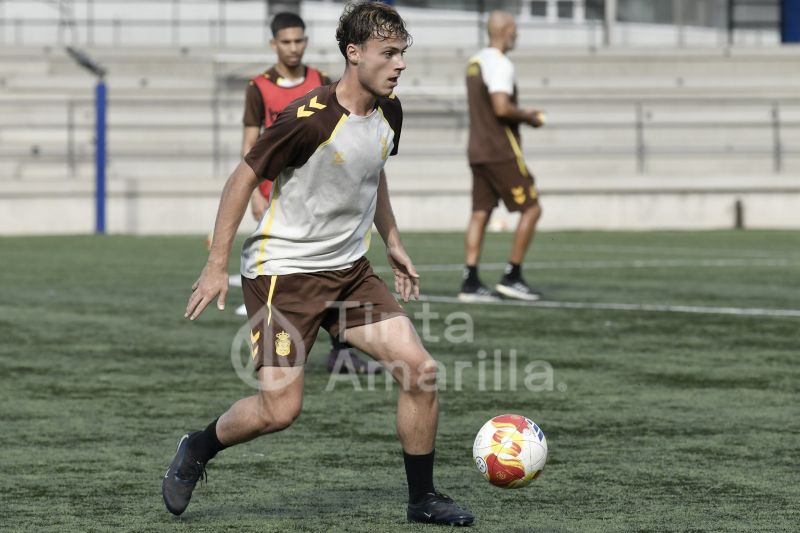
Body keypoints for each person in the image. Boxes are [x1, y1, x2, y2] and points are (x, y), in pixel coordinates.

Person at [162, 1, 474, 527]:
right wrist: (216, 264)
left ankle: (422, 500)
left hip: (351, 272)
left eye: (403, 53)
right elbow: (241, 179)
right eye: (389, 53)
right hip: (284, 274)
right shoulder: (307, 119)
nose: (400, 64)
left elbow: (373, 174)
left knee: (420, 371)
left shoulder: (390, 111)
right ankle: (198, 446)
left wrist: (392, 239)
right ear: (354, 54)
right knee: (279, 411)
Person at [237, 11, 379, 375]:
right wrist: (255, 192)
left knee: (339, 258)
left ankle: (341, 350)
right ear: (274, 45)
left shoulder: (321, 80)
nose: (293, 48)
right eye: (286, 42)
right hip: (279, 189)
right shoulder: (259, 87)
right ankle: (282, 341)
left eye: (299, 40)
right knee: (298, 263)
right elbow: (251, 144)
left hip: (324, 187)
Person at [459, 10, 545, 303]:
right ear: (506, 30)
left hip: (477, 149)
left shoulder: (475, 62)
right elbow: (500, 107)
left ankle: (470, 281)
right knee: (532, 208)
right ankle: (513, 276)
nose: (517, 34)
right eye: (515, 29)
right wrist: (529, 116)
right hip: (499, 150)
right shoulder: (500, 64)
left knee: (480, 212)